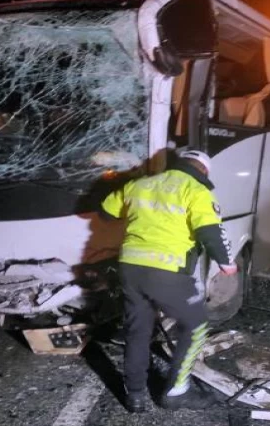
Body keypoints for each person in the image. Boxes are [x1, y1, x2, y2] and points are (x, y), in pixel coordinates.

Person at [100, 149, 237, 413]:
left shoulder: (140, 184)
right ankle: (176, 392)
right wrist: (227, 264)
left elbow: (106, 212)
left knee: (138, 331)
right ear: (204, 171)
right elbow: (210, 231)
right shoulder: (196, 190)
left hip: (130, 269)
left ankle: (136, 395)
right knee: (195, 326)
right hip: (167, 272)